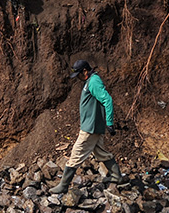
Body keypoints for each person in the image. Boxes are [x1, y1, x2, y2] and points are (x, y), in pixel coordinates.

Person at [51, 59, 122, 194]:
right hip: (92, 126)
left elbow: (107, 100)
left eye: (78, 74)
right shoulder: (89, 82)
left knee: (76, 154)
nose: (77, 77)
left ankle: (63, 185)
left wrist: (110, 122)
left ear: (85, 71)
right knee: (101, 152)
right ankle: (117, 176)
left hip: (90, 128)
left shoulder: (94, 81)